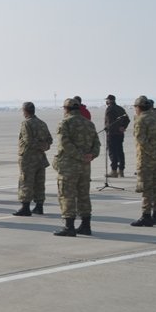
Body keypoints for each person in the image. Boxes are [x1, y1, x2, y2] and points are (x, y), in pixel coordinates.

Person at [51, 97, 101, 237]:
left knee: (67, 195)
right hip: (85, 167)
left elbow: (65, 144)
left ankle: (69, 227)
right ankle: (86, 225)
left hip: (69, 167)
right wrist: (90, 155)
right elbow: (97, 144)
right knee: (83, 195)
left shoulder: (64, 123)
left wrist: (80, 156)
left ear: (66, 109)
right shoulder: (89, 124)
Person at [130, 96, 156, 227]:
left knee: (146, 189)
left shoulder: (141, 120)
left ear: (139, 107)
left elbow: (142, 141)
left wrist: (155, 154)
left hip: (147, 160)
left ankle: (146, 216)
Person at [12, 102, 53, 217]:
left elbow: (28, 140)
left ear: (25, 111)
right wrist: (44, 146)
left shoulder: (26, 124)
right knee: (39, 182)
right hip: (40, 157)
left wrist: (40, 146)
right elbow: (49, 139)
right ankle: (39, 206)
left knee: (26, 181)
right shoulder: (42, 123)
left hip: (28, 158)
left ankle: (25, 207)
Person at [103, 95, 129, 178]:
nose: (106, 102)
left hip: (112, 133)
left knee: (112, 152)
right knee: (120, 151)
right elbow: (127, 119)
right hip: (120, 134)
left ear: (109, 101)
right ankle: (121, 170)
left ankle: (114, 171)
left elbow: (110, 122)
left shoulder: (110, 109)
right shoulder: (120, 108)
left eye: (107, 100)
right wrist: (123, 127)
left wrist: (111, 128)